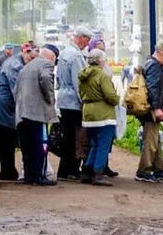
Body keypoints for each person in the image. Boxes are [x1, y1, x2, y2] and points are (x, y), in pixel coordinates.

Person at [14, 44, 60, 186]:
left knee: (27, 147)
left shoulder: (26, 66)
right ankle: (39, 176)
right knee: (39, 146)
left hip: (22, 113)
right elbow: (46, 79)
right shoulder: (46, 64)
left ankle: (29, 176)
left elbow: (16, 89)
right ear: (52, 57)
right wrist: (50, 98)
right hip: (37, 113)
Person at [0, 43, 32, 180]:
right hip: (2, 107)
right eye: (31, 58)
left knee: (4, 140)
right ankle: (6, 171)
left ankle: (6, 170)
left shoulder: (13, 62)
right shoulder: (16, 66)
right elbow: (16, 91)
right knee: (6, 139)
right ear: (25, 53)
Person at [136, 41, 163, 183]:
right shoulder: (154, 66)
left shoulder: (150, 64)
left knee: (156, 141)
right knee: (151, 141)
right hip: (151, 110)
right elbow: (153, 88)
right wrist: (156, 107)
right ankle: (143, 171)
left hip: (150, 109)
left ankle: (159, 169)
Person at [78, 49, 120, 186]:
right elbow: (110, 96)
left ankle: (86, 171)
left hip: (88, 113)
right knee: (103, 145)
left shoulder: (83, 75)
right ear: (101, 60)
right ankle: (98, 173)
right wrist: (117, 98)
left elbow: (80, 93)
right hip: (104, 115)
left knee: (94, 144)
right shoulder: (102, 75)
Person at [56, 27, 92, 180]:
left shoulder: (64, 53)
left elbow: (58, 78)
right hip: (73, 102)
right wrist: (84, 101)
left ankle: (65, 169)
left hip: (63, 99)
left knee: (67, 136)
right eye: (87, 40)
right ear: (81, 38)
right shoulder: (76, 56)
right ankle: (70, 170)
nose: (87, 43)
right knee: (76, 138)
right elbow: (79, 82)